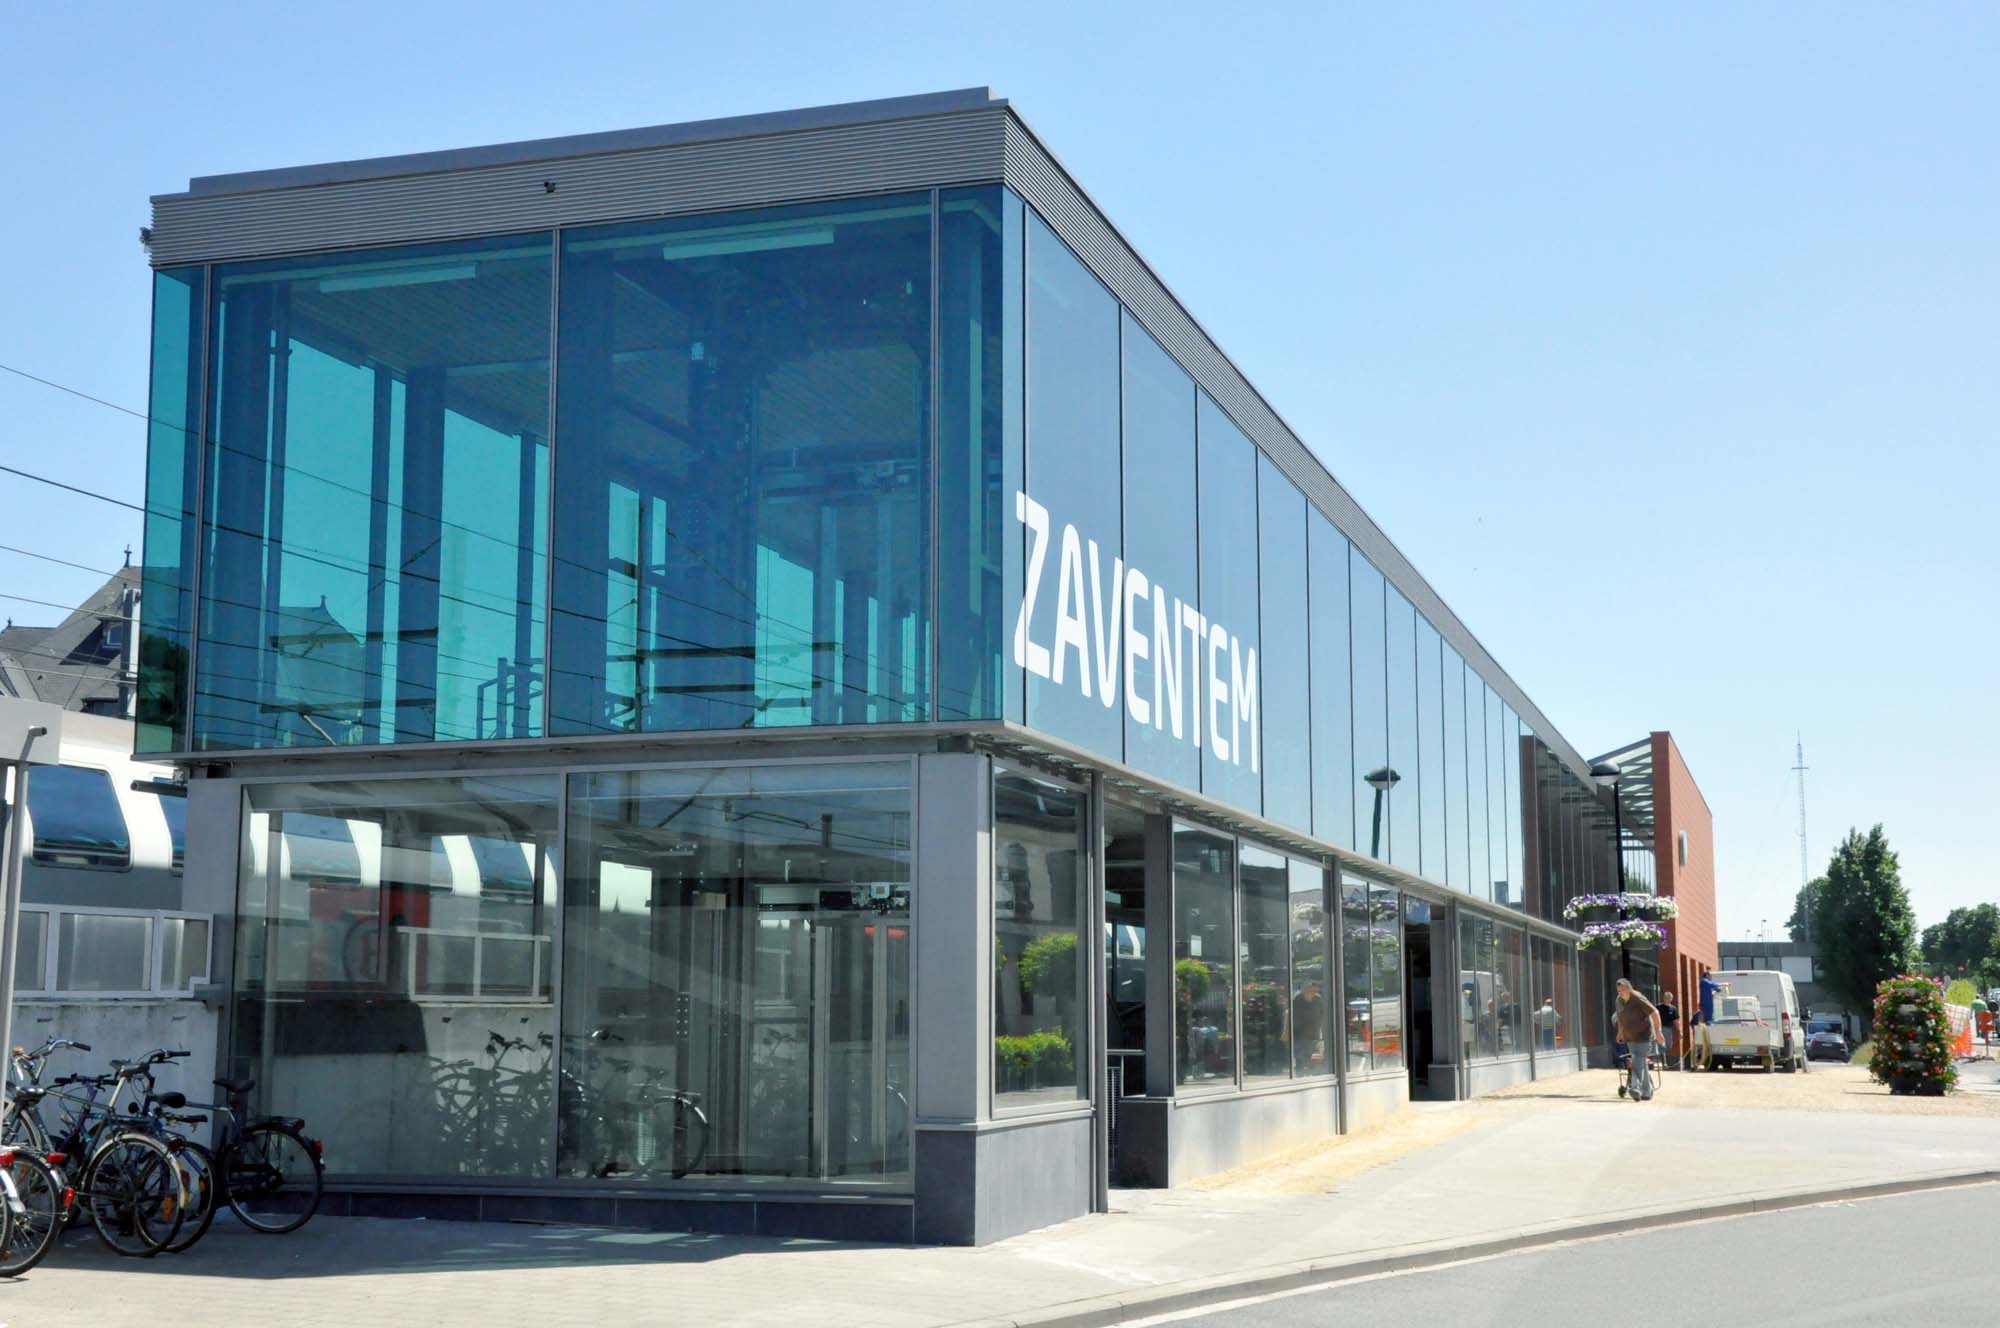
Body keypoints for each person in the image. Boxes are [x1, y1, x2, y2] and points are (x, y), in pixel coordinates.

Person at [1614, 977, 1663, 1101]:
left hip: (1644, 1036)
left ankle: (1635, 1088)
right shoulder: (1619, 1000)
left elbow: (1655, 1013)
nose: (1620, 993)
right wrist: (1620, 1033)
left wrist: (1658, 1032)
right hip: (1630, 1037)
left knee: (1637, 1062)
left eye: (1622, 990)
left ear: (1629, 989)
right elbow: (1620, 1018)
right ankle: (1647, 1092)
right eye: (1618, 991)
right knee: (1641, 1063)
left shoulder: (1637, 997)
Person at [1657, 991, 1680, 1069]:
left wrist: (1679, 1031)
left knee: (1669, 1046)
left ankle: (1667, 1063)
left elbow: (1676, 1021)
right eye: (1666, 998)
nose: (1668, 999)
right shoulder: (1658, 1007)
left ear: (1671, 999)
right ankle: (1664, 1064)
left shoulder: (1673, 1008)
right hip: (1661, 1028)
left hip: (1669, 1029)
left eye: (1670, 998)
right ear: (1664, 998)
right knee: (1662, 1046)